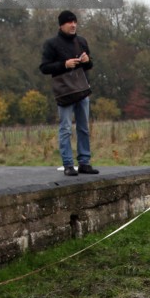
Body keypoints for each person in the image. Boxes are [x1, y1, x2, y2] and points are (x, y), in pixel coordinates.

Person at [39, 10, 99, 176]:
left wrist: (87, 62)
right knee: (65, 128)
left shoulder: (81, 41)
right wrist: (64, 64)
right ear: (61, 25)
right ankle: (67, 164)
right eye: (69, 22)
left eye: (75, 22)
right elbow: (44, 67)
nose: (73, 25)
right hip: (64, 92)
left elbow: (89, 66)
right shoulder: (51, 44)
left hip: (82, 90)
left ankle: (84, 162)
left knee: (83, 128)